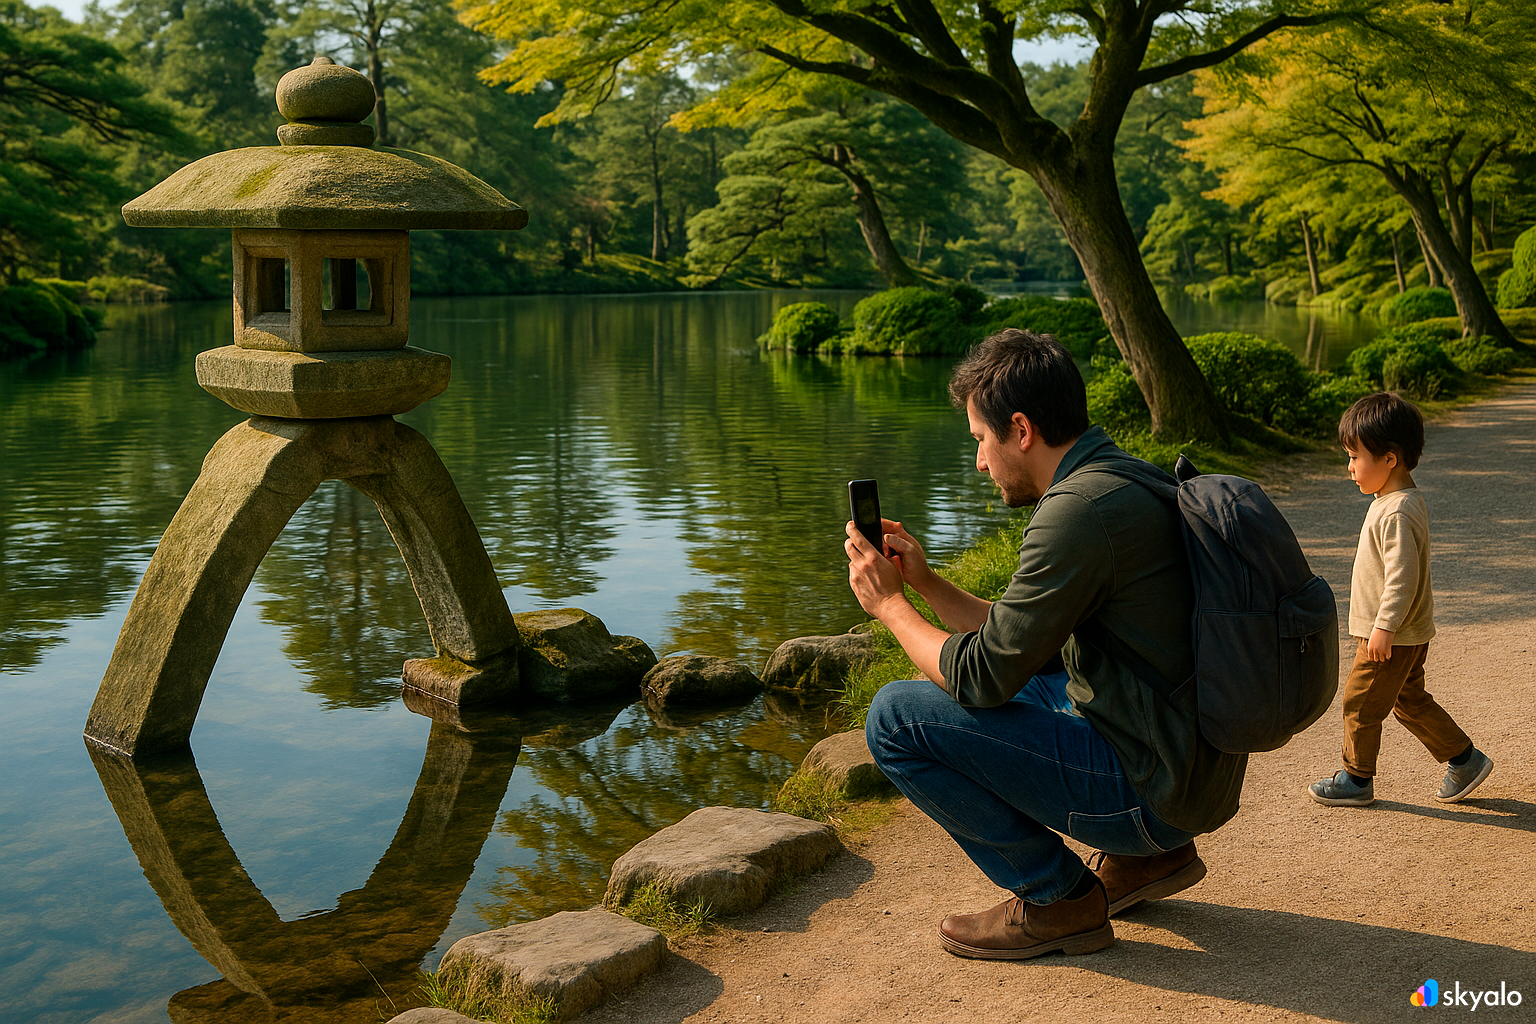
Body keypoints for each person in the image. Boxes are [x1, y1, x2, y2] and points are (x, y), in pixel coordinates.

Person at [844, 328, 1246, 961]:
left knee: (895, 718)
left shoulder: (1077, 515)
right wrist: (922, 580)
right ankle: (1149, 861)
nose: (979, 461)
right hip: (1189, 774)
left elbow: (980, 678)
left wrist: (890, 607)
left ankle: (1058, 898)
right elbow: (1015, 639)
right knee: (1029, 672)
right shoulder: (1121, 478)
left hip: (1155, 791)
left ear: (1022, 430)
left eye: (980, 438)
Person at [1308, 392, 1492, 808]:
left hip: (1390, 634)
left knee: (1359, 703)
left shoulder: (1395, 512)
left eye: (1355, 457)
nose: (1349, 467)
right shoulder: (1396, 501)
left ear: (1389, 459)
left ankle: (1356, 780)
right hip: (1403, 632)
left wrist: (1383, 626)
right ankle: (1464, 759)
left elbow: (1402, 578)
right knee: (1408, 701)